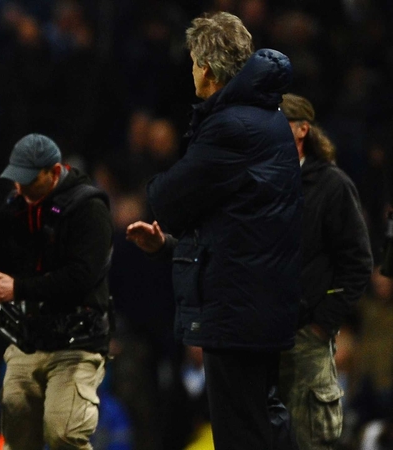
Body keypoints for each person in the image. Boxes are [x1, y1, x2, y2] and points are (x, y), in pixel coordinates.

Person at [125, 12, 302, 450]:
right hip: (264, 303)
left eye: (191, 63)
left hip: (235, 310)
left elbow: (169, 199)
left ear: (205, 68)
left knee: (240, 433)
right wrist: (168, 244)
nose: (190, 72)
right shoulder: (270, 119)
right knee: (268, 424)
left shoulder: (229, 127)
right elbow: (236, 223)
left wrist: (157, 174)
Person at [0, 133, 113, 449]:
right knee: (17, 436)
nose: (20, 188)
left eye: (29, 180)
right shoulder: (14, 209)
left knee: (63, 433)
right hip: (27, 339)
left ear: (54, 171)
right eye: (17, 180)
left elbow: (83, 276)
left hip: (76, 342)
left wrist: (19, 288)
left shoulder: (87, 208)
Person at [277, 93, 373, 450]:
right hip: (262, 335)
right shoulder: (260, 183)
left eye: (279, 124)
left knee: (311, 440)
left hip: (306, 339)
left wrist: (322, 322)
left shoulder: (332, 186)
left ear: (303, 130)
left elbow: (359, 262)